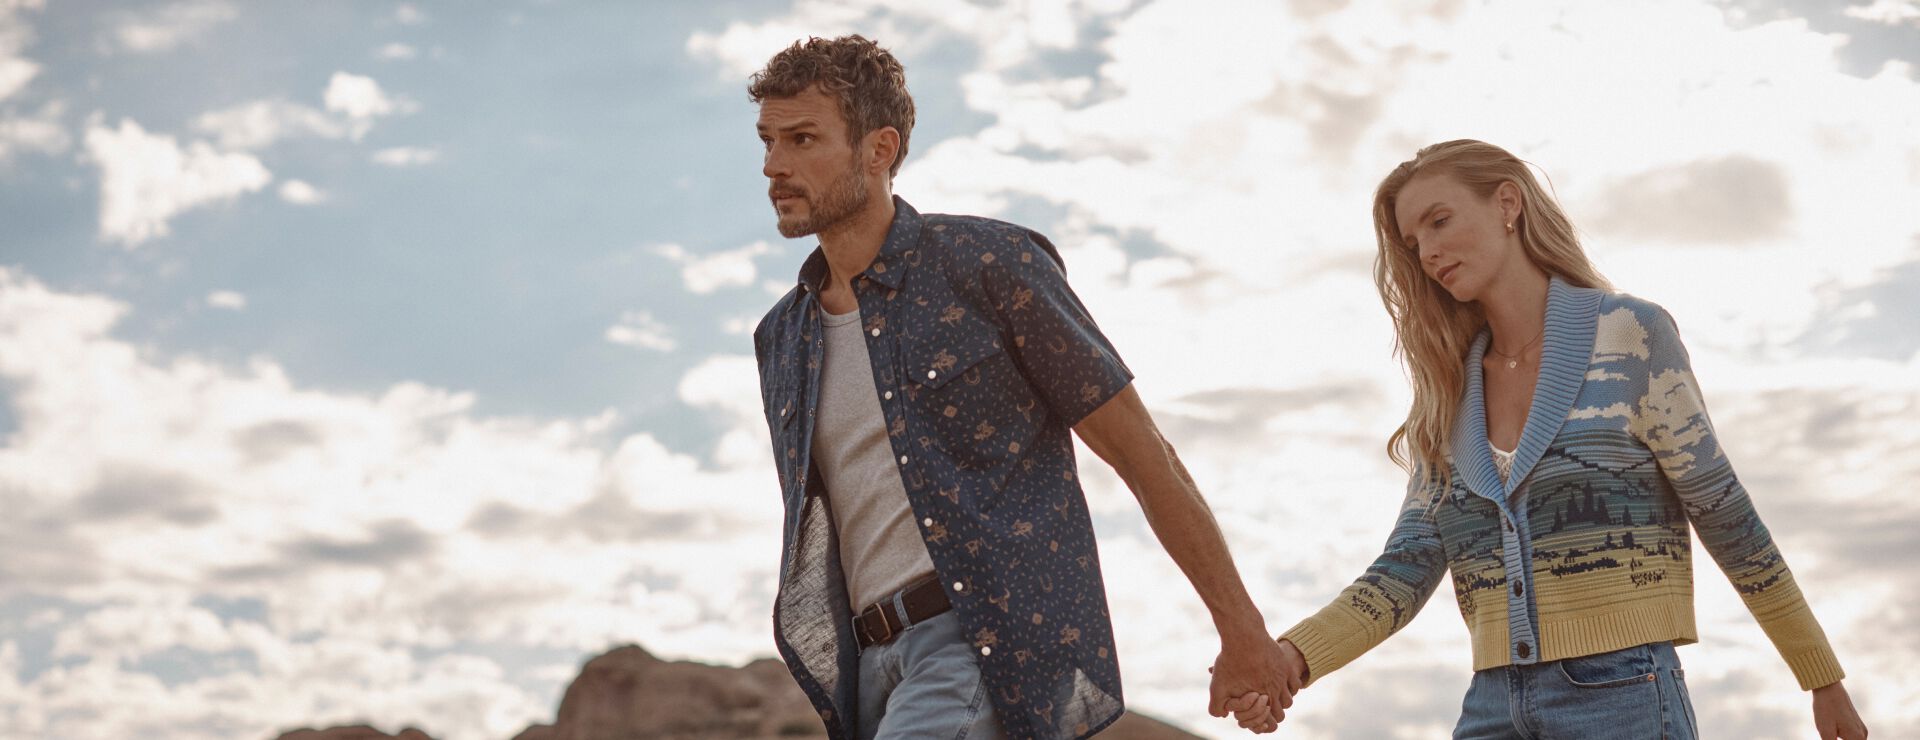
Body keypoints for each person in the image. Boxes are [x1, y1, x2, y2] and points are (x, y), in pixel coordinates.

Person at [746, 35, 1299, 740]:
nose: (774, 166)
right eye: (767, 140)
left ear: (878, 149)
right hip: (866, 675)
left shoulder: (989, 266)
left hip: (980, 640)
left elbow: (1141, 453)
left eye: (801, 139)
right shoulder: (782, 338)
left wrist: (1242, 631)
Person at [1230, 139, 1869, 738]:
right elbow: (1405, 568)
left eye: (1440, 220)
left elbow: (1724, 512)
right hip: (1492, 703)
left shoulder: (1631, 336)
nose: (1425, 250)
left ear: (1507, 203)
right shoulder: (1447, 393)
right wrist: (1290, 658)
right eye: (1412, 238)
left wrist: (1821, 677)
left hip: (1623, 694)